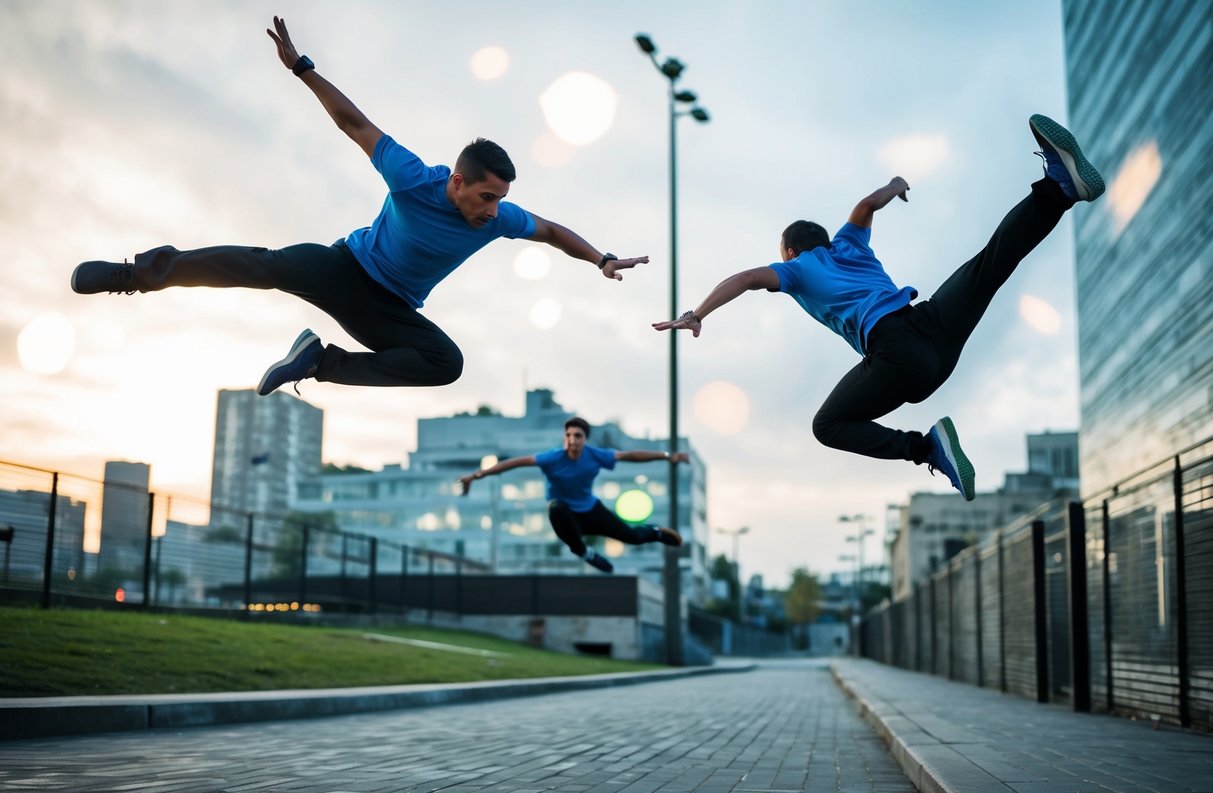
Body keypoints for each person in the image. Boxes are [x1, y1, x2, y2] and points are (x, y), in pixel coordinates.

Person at [71, 16, 648, 396]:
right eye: (487, 197)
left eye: (501, 201)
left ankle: (318, 362)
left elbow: (549, 229)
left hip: (388, 308)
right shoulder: (413, 177)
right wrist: (303, 68)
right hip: (343, 266)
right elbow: (354, 122)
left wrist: (600, 259)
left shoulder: (501, 221)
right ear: (457, 182)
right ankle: (134, 274)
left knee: (445, 364)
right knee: (263, 265)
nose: (495, 211)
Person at [654, 114, 1104, 501]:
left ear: (789, 251)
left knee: (827, 426)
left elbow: (748, 279)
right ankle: (1058, 191)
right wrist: (896, 183)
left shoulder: (794, 270)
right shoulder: (850, 243)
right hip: (932, 326)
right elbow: (867, 204)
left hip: (903, 358)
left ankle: (926, 448)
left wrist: (698, 312)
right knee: (991, 263)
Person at [457, 417, 689, 573]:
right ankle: (584, 552)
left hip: (591, 511)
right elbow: (514, 463)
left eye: (577, 436)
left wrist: (668, 456)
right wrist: (475, 476)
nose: (572, 441)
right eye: (568, 436)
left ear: (585, 439)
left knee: (632, 536)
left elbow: (631, 455)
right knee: (556, 507)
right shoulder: (552, 458)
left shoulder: (595, 455)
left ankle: (656, 533)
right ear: (564, 438)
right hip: (567, 518)